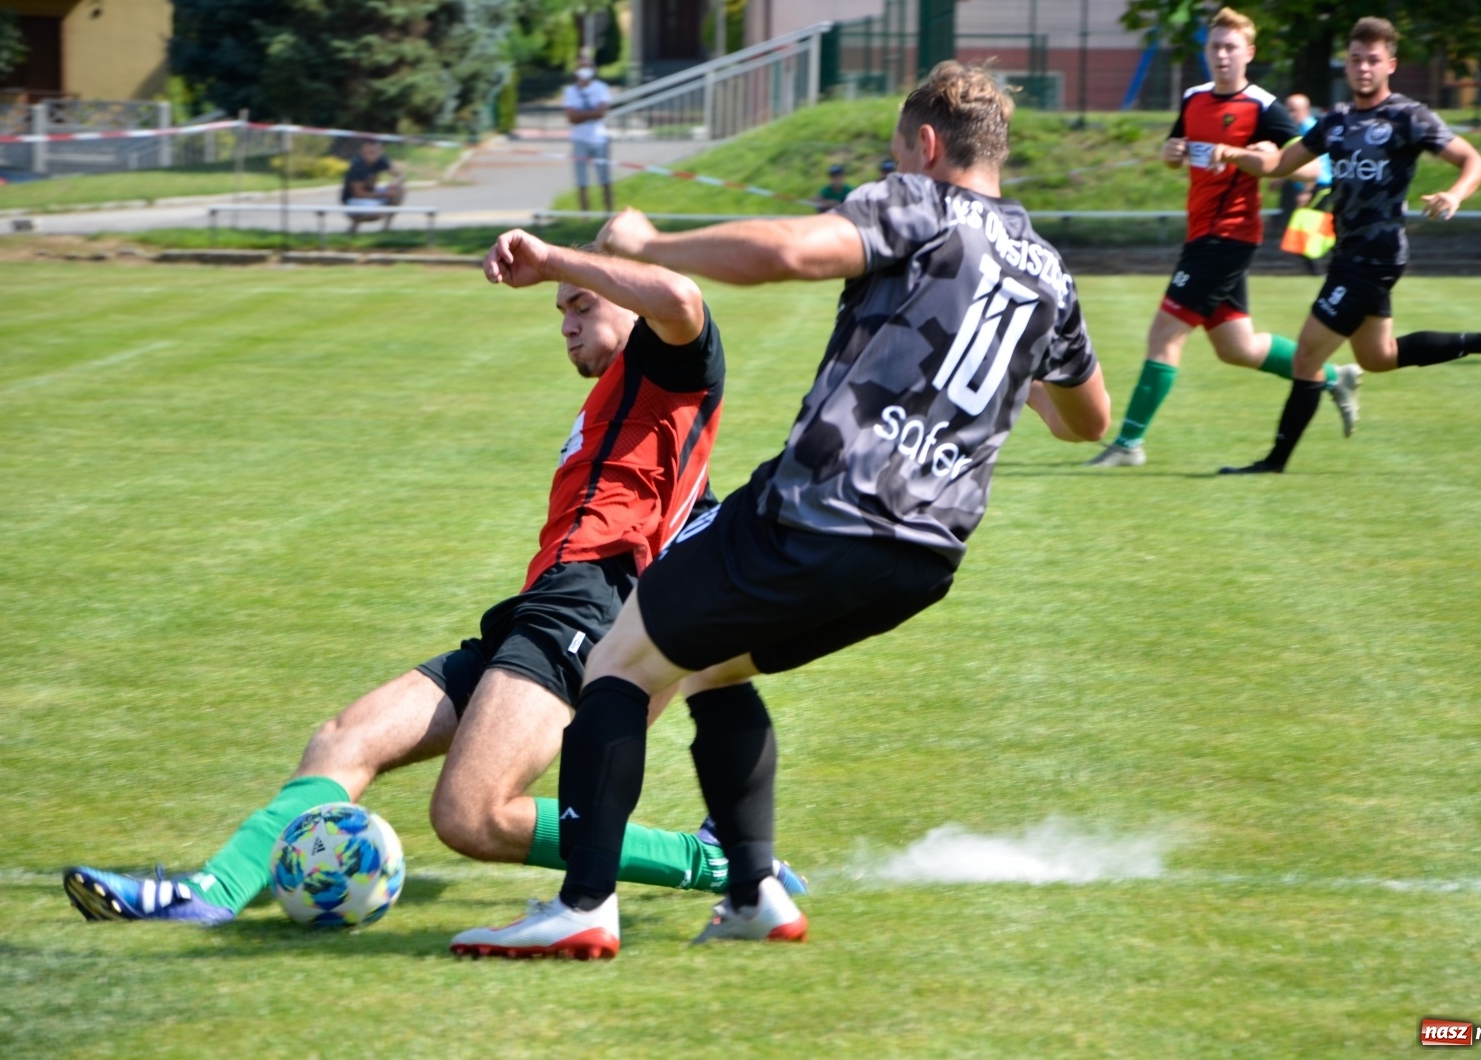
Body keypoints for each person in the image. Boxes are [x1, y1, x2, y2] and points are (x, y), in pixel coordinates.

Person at [448, 61, 1110, 960]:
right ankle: (753, 890)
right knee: (712, 671)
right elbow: (1086, 419)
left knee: (617, 663)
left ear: (923, 146)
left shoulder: (922, 206)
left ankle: (584, 905)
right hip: (926, 558)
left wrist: (653, 246)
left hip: (824, 509)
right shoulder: (1050, 277)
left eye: (896, 155)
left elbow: (792, 253)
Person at [63, 237, 808, 928]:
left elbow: (678, 298)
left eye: (581, 304)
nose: (565, 322)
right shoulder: (621, 407)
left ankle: (706, 861)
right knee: (343, 740)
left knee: (470, 815)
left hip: (592, 605)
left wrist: (557, 258)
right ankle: (212, 895)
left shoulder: (669, 370)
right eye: (560, 311)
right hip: (543, 606)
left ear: (623, 299)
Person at [1213, 16, 1481, 476]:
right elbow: (1282, 164)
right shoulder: (1337, 120)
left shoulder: (1408, 116)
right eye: (1356, 59)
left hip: (1374, 259)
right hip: (1348, 254)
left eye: (1373, 60)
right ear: (1347, 64)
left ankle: (1274, 462)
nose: (1364, 68)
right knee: (1377, 357)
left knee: (1307, 355)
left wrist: (1455, 194)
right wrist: (1235, 154)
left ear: (1391, 65)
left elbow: (1472, 160)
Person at [1085, 8, 1358, 469]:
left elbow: (1311, 165)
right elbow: (1177, 154)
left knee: (1164, 334)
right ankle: (1335, 376)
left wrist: (1257, 158)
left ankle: (1129, 443)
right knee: (1238, 347)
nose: (1222, 55)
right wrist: (1169, 153)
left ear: (1248, 53)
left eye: (1231, 47)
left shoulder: (1263, 108)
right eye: (1215, 47)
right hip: (1201, 235)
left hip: (1228, 236)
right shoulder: (1193, 99)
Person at [1278, 92, 1333, 274]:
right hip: (1316, 186)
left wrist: (1306, 191)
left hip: (1320, 185)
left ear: (1306, 110)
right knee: (1308, 226)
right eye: (1288, 110)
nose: (1291, 114)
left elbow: (1314, 164)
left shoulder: (1310, 129)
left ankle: (1318, 270)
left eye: (1294, 110)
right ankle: (1316, 270)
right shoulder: (1301, 128)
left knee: (1307, 226)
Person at [564, 49, 614, 213]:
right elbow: (571, 117)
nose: (584, 70)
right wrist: (590, 114)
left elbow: (601, 112)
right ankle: (585, 215)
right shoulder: (570, 91)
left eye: (587, 66)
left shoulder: (601, 88)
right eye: (581, 67)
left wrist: (582, 115)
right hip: (580, 139)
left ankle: (608, 213)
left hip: (599, 138)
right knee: (582, 182)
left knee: (605, 179)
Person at [341, 140, 407, 232]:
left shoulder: (381, 160)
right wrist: (384, 195)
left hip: (371, 193)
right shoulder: (357, 165)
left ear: (380, 152)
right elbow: (358, 193)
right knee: (378, 212)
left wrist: (394, 184)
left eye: (375, 152)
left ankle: (386, 228)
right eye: (369, 152)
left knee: (399, 190)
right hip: (352, 200)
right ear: (363, 152)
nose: (372, 155)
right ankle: (354, 225)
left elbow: (400, 175)